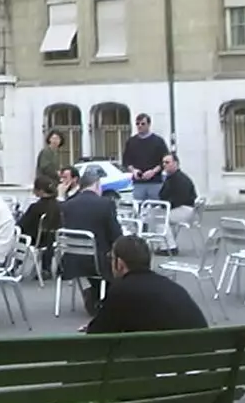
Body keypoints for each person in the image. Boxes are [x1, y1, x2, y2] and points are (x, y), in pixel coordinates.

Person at [30, 236, 207, 403]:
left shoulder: (123, 290)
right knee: (137, 368)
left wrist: (98, 325)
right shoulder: (172, 287)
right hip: (201, 384)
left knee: (83, 367)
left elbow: (95, 342)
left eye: (111, 259)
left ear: (120, 263)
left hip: (160, 383)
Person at [58, 167, 122, 315]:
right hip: (98, 261)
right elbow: (116, 235)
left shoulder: (68, 205)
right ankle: (105, 298)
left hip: (71, 259)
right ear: (97, 185)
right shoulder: (105, 204)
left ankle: (94, 294)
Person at [19, 177, 62, 275]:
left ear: (40, 191)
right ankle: (46, 268)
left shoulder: (35, 207)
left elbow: (23, 225)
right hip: (54, 239)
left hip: (38, 240)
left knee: (18, 235)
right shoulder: (60, 206)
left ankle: (15, 264)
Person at [122, 113, 169, 203]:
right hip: (138, 183)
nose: (140, 126)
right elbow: (126, 161)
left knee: (156, 207)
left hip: (155, 182)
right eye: (137, 124)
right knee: (138, 208)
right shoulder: (131, 142)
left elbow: (164, 161)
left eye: (143, 124)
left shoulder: (158, 141)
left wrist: (153, 171)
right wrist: (134, 171)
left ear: (149, 124)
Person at [157, 153, 198, 244]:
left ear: (175, 163)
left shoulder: (179, 179)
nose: (164, 165)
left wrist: (163, 207)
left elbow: (179, 199)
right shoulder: (172, 177)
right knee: (159, 215)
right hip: (185, 209)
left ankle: (169, 246)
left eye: (167, 162)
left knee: (159, 218)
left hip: (185, 209)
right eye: (163, 162)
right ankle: (167, 243)